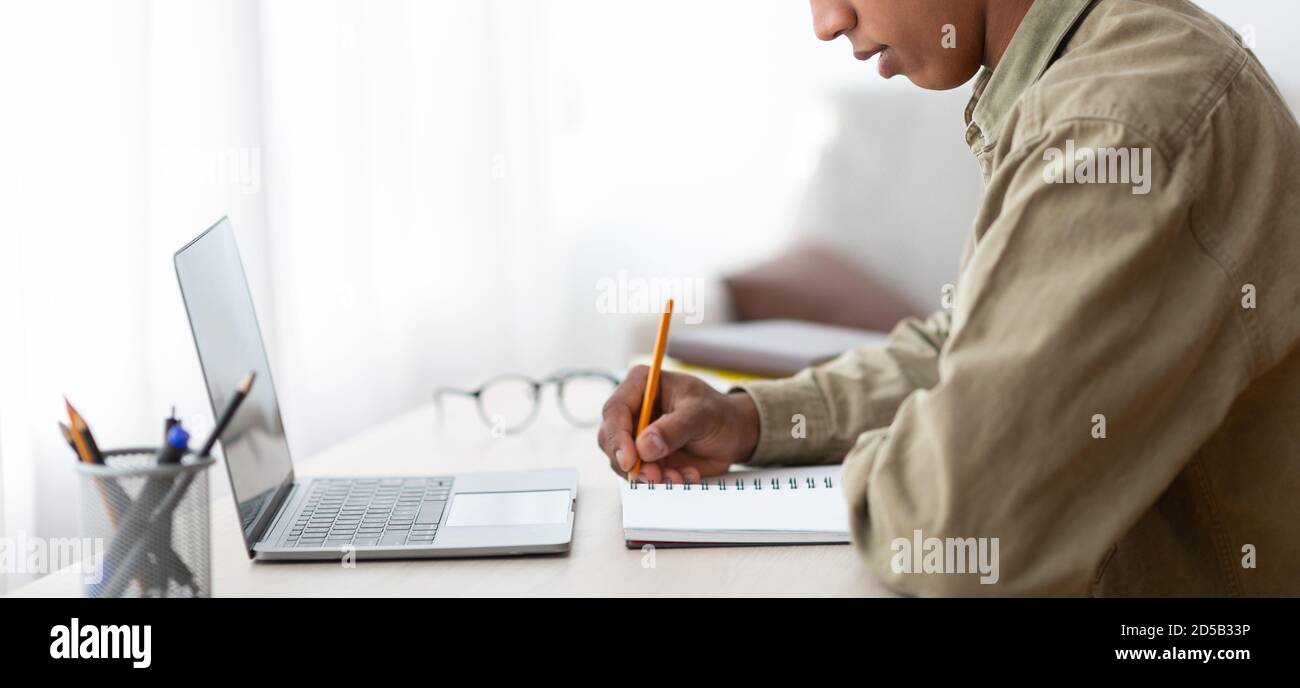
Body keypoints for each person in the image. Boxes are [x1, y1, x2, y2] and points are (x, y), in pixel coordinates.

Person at [597, 0, 1300, 596]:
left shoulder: (1115, 126)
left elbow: (958, 524)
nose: (826, 21)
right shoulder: (1093, 75)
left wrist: (915, 450)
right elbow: (971, 341)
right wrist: (752, 420)